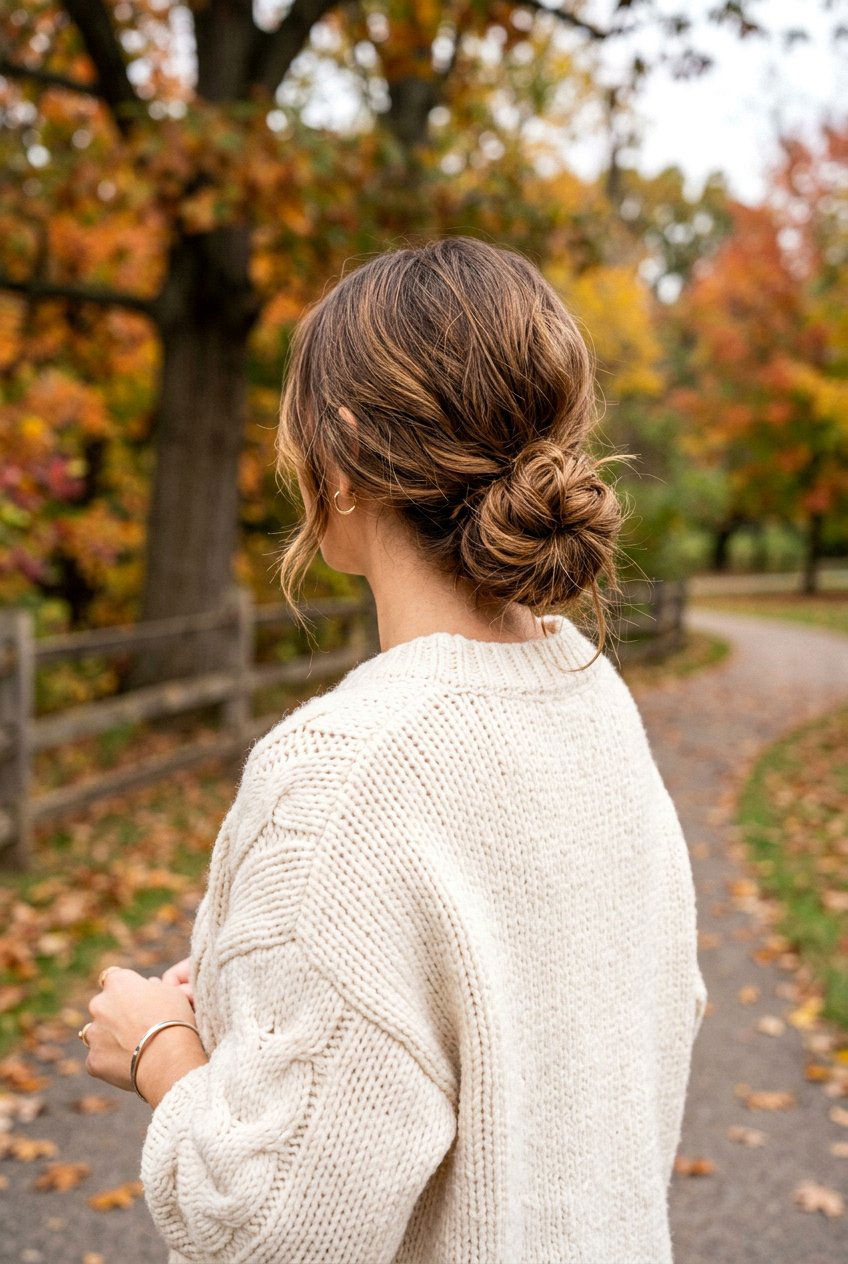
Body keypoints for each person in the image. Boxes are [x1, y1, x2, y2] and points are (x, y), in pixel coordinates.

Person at [81, 236, 707, 1264]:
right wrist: (269, 1001)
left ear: (336, 444)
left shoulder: (342, 775)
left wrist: (161, 1049)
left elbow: (275, 1229)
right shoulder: (590, 696)